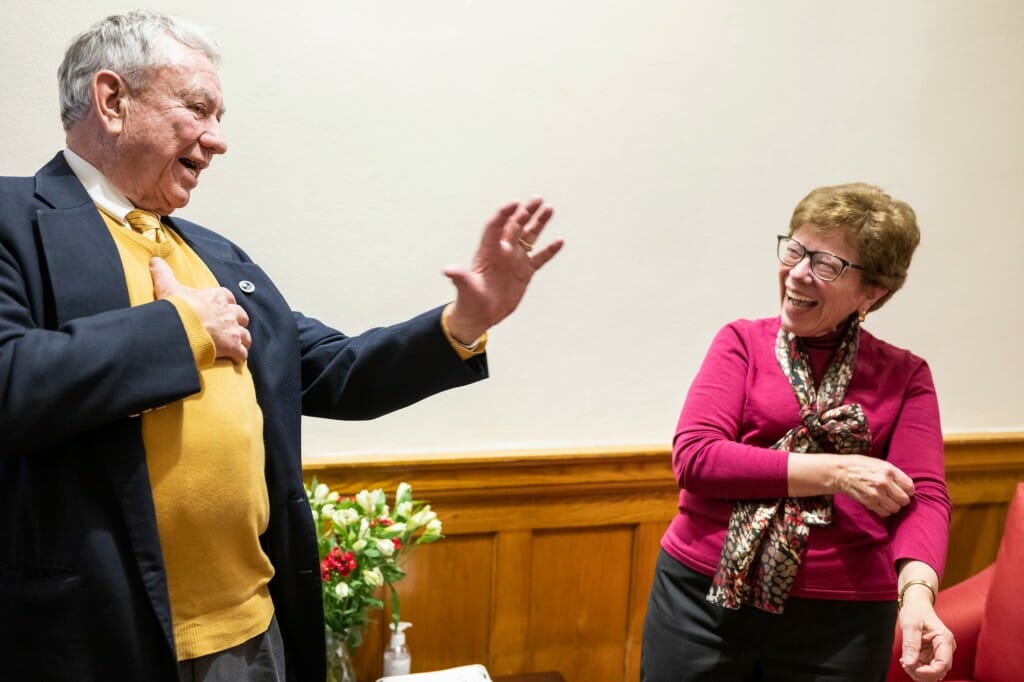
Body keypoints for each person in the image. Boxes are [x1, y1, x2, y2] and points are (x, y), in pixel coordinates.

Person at [0, 10, 562, 682]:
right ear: (113, 100)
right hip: (89, 640)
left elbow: (335, 371)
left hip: (249, 635)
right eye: (198, 109)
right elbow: (11, 383)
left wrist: (464, 322)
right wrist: (182, 332)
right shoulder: (15, 221)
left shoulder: (211, 253)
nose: (218, 140)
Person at [641, 183, 954, 682]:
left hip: (843, 623)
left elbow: (924, 495)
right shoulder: (742, 341)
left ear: (872, 292)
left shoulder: (905, 374)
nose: (798, 272)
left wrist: (918, 595)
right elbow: (697, 459)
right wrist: (838, 472)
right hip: (702, 600)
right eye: (795, 250)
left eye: (826, 264)